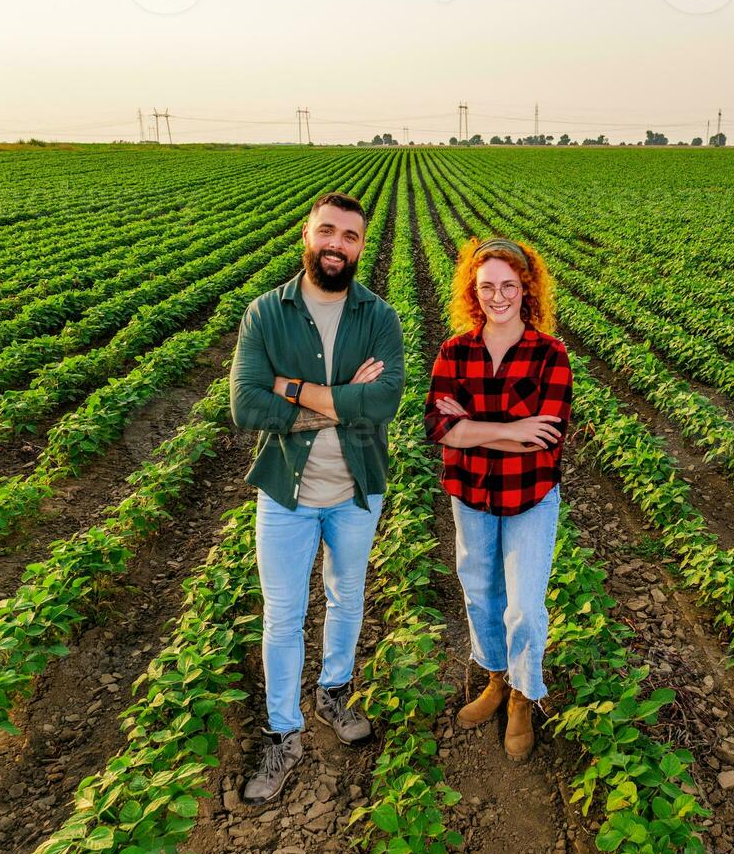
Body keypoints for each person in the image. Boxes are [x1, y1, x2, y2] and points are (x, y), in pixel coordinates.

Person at [229, 191, 404, 804]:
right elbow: (246, 405)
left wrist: (295, 389)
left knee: (346, 594)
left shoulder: (378, 316)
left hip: (356, 490)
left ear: (361, 246)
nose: (337, 244)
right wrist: (337, 400)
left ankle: (333, 692)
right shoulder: (266, 313)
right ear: (307, 236)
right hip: (286, 492)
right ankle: (283, 731)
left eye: (350, 236)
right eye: (327, 232)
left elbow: (383, 403)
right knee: (282, 615)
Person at [424, 236, 572, 762]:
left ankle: (522, 698)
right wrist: (511, 428)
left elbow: (547, 435)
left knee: (525, 607)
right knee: (480, 592)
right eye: (487, 286)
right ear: (473, 290)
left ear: (526, 289)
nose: (499, 296)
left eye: (509, 285)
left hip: (531, 495)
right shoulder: (454, 351)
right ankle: (494, 677)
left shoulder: (549, 354)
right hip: (471, 493)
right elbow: (439, 427)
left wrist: (472, 425)